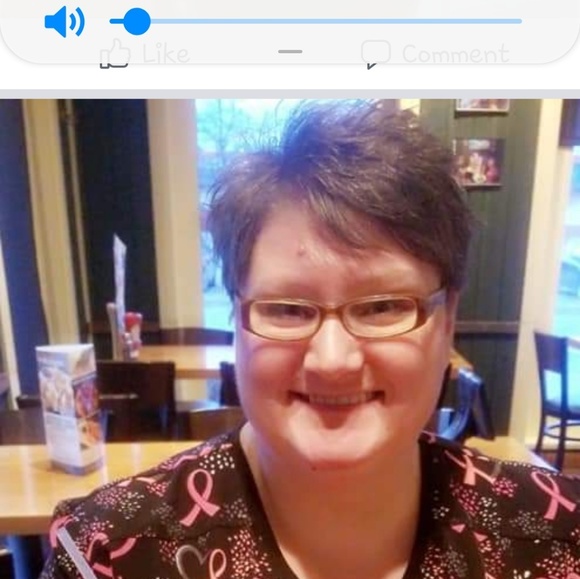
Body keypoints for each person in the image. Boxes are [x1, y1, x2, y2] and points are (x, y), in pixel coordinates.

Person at [41, 100, 580, 579]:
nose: (333, 361)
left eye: (383, 306)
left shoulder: (553, 535)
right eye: (286, 309)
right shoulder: (109, 555)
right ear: (237, 318)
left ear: (448, 319)